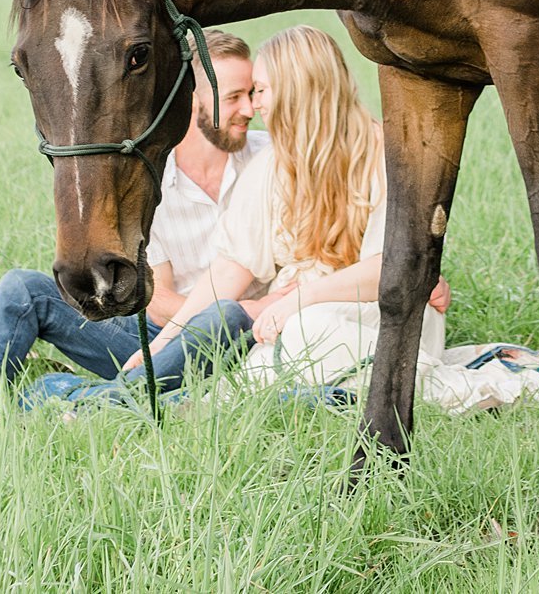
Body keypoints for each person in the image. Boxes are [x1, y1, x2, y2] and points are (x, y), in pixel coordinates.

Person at [0, 29, 267, 419]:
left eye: (252, 93)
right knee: (25, 289)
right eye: (234, 97)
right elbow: (155, 303)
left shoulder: (267, 157)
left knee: (225, 317)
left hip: (241, 340)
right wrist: (236, 306)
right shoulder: (148, 177)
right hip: (157, 341)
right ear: (191, 97)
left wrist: (237, 312)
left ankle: (63, 400)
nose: (250, 109)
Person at [125, 23, 448, 392]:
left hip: (370, 316)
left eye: (260, 90)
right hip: (292, 320)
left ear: (296, 89)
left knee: (289, 343)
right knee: (229, 380)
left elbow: (392, 265)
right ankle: (105, 400)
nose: (255, 105)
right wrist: (162, 343)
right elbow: (231, 269)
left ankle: (107, 401)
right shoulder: (274, 164)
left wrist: (298, 299)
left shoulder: (384, 156)